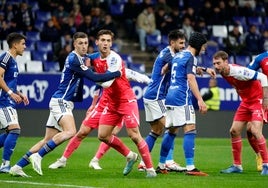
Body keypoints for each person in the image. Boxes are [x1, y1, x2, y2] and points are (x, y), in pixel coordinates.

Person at [9, 32, 121, 177]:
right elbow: (94, 77)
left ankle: (17, 166)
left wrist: (109, 53)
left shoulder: (80, 58)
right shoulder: (74, 59)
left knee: (47, 140)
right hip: (61, 101)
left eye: (86, 43)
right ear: (74, 44)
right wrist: (116, 73)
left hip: (60, 101)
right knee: (70, 131)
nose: (83, 46)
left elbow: (93, 57)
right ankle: (38, 156)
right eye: (80, 43)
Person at [48, 69, 150, 170]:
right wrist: (93, 105)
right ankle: (62, 160)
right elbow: (98, 87)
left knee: (110, 134)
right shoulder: (104, 69)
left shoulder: (122, 71)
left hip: (118, 107)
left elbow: (137, 76)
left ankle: (95, 160)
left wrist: (149, 81)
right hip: (102, 106)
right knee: (82, 132)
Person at [90, 30, 156, 178]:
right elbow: (128, 73)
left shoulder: (114, 58)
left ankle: (150, 169)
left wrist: (90, 75)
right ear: (97, 42)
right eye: (103, 40)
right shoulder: (94, 58)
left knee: (134, 135)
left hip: (126, 101)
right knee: (102, 135)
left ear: (111, 43)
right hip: (111, 103)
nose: (105, 43)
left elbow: (106, 83)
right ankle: (130, 155)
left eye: (108, 40)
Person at [156, 32, 216, 176]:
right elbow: (190, 78)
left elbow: (165, 69)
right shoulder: (191, 57)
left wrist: (203, 69)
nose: (204, 49)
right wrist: (200, 100)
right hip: (182, 98)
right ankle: (191, 167)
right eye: (203, 46)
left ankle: (161, 164)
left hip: (170, 96)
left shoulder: (179, 55)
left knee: (171, 131)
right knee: (190, 128)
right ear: (198, 45)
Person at [138, 30, 187, 173]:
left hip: (152, 96)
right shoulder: (168, 55)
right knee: (172, 127)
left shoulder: (170, 54)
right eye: (181, 43)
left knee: (156, 131)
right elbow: (182, 63)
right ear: (172, 43)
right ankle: (169, 162)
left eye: (184, 43)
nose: (183, 46)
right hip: (156, 97)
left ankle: (143, 163)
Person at [212, 50, 268, 175]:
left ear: (226, 62)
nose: (216, 66)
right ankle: (237, 166)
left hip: (257, 100)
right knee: (234, 131)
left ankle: (266, 165)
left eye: (218, 63)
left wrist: (266, 99)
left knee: (255, 131)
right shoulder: (223, 72)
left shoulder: (239, 72)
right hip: (246, 102)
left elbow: (263, 77)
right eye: (214, 64)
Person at [0, 32, 29, 173]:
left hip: (7, 99)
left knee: (9, 132)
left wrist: (18, 93)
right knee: (14, 129)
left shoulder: (14, 61)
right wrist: (10, 93)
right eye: (23, 44)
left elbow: (8, 82)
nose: (25, 46)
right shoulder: (6, 57)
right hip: (3, 101)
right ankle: (5, 165)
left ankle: (5, 164)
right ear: (15, 44)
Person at [246, 51, 268, 172]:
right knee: (250, 129)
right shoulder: (261, 57)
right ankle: (259, 156)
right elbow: (248, 72)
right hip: (265, 98)